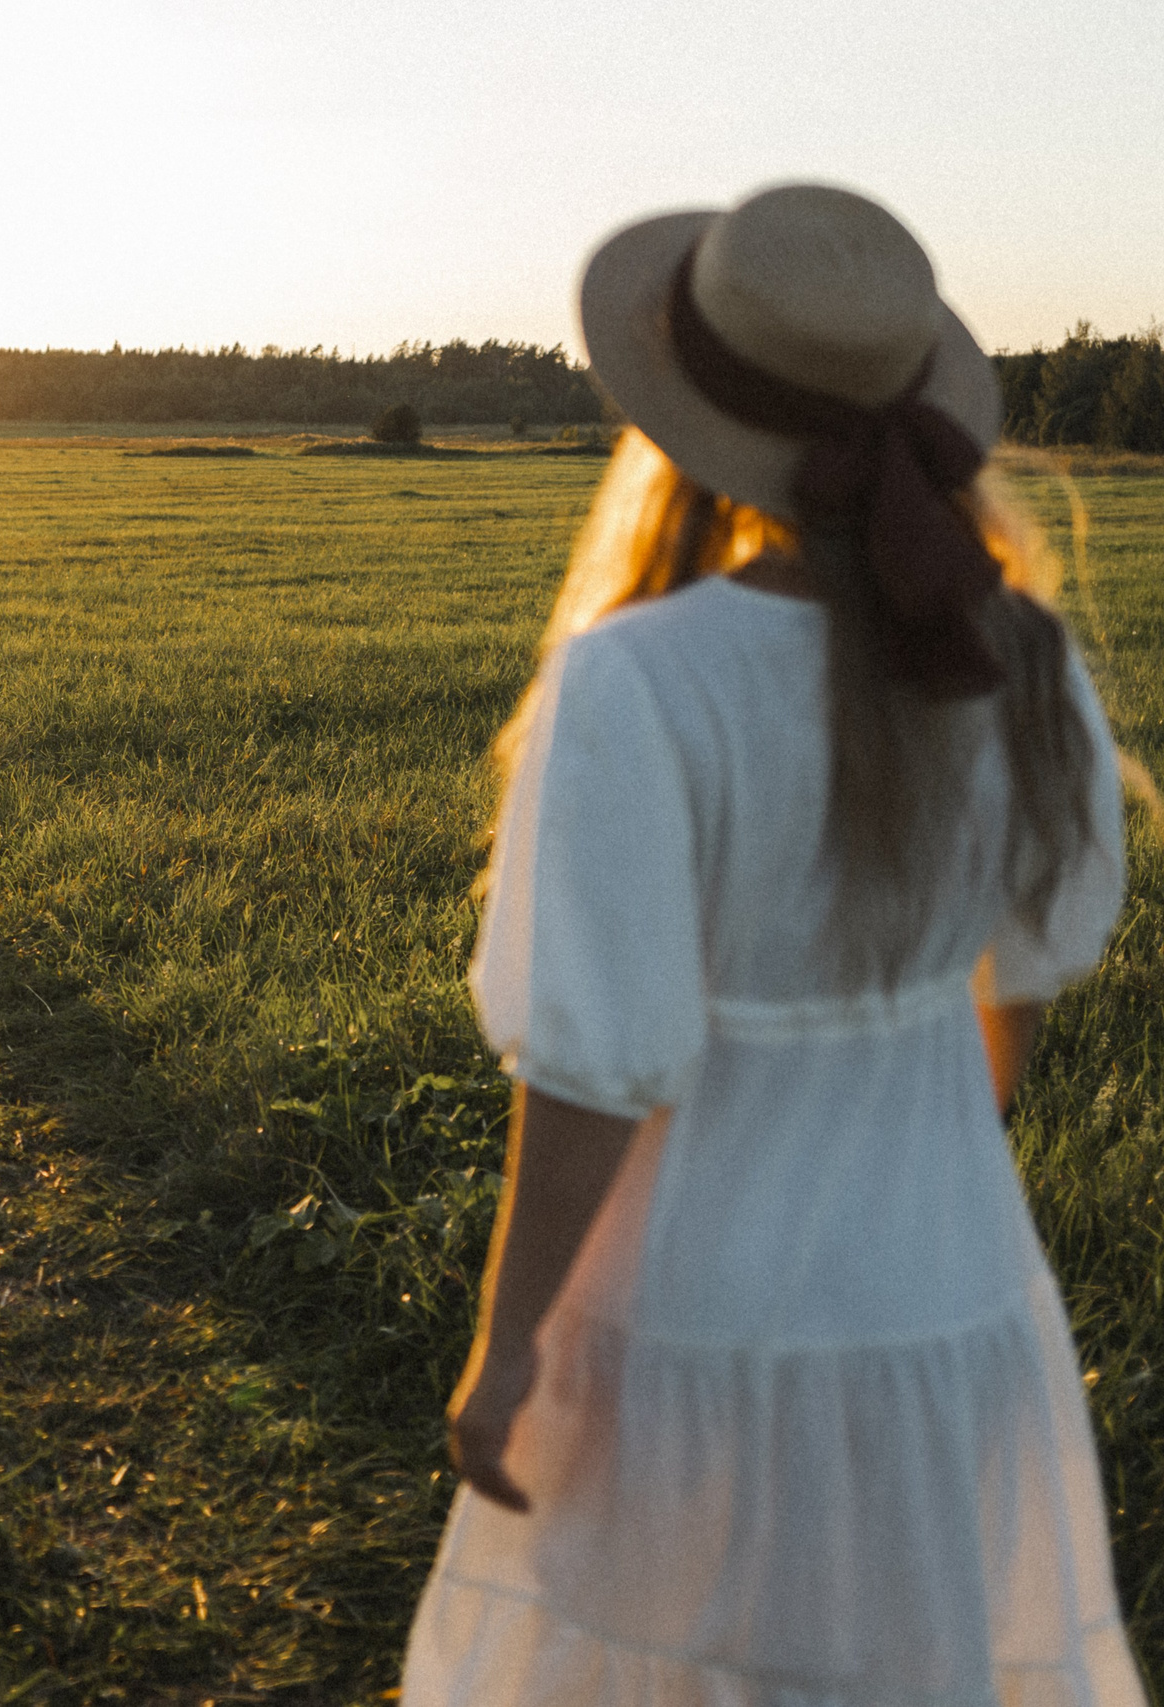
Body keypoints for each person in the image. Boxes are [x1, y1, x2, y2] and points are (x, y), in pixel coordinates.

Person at [402, 185, 1142, 1704]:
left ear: (684, 415)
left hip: (695, 1296)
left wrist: (509, 1338)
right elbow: (1029, 978)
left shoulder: (641, 681)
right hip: (949, 1276)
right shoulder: (1019, 652)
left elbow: (600, 1062)